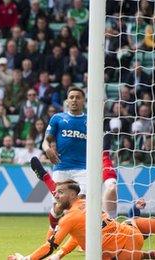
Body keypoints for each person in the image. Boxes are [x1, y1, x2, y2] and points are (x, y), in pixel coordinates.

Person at [7, 181, 155, 260]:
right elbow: (80, 235)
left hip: (120, 253)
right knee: (131, 221)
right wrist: (61, 252)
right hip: (131, 235)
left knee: (103, 253)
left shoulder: (70, 217)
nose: (56, 195)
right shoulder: (87, 204)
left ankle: (147, 255)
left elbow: (49, 246)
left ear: (73, 194)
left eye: (60, 192)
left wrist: (25, 259)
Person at [33, 87, 119, 239]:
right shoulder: (57, 118)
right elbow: (46, 142)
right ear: (67, 101)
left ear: (83, 101)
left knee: (82, 205)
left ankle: (84, 239)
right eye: (71, 97)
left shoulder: (91, 120)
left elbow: (101, 143)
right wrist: (47, 150)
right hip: (61, 167)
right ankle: (52, 229)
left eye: (77, 97)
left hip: (84, 169)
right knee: (59, 207)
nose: (74, 100)